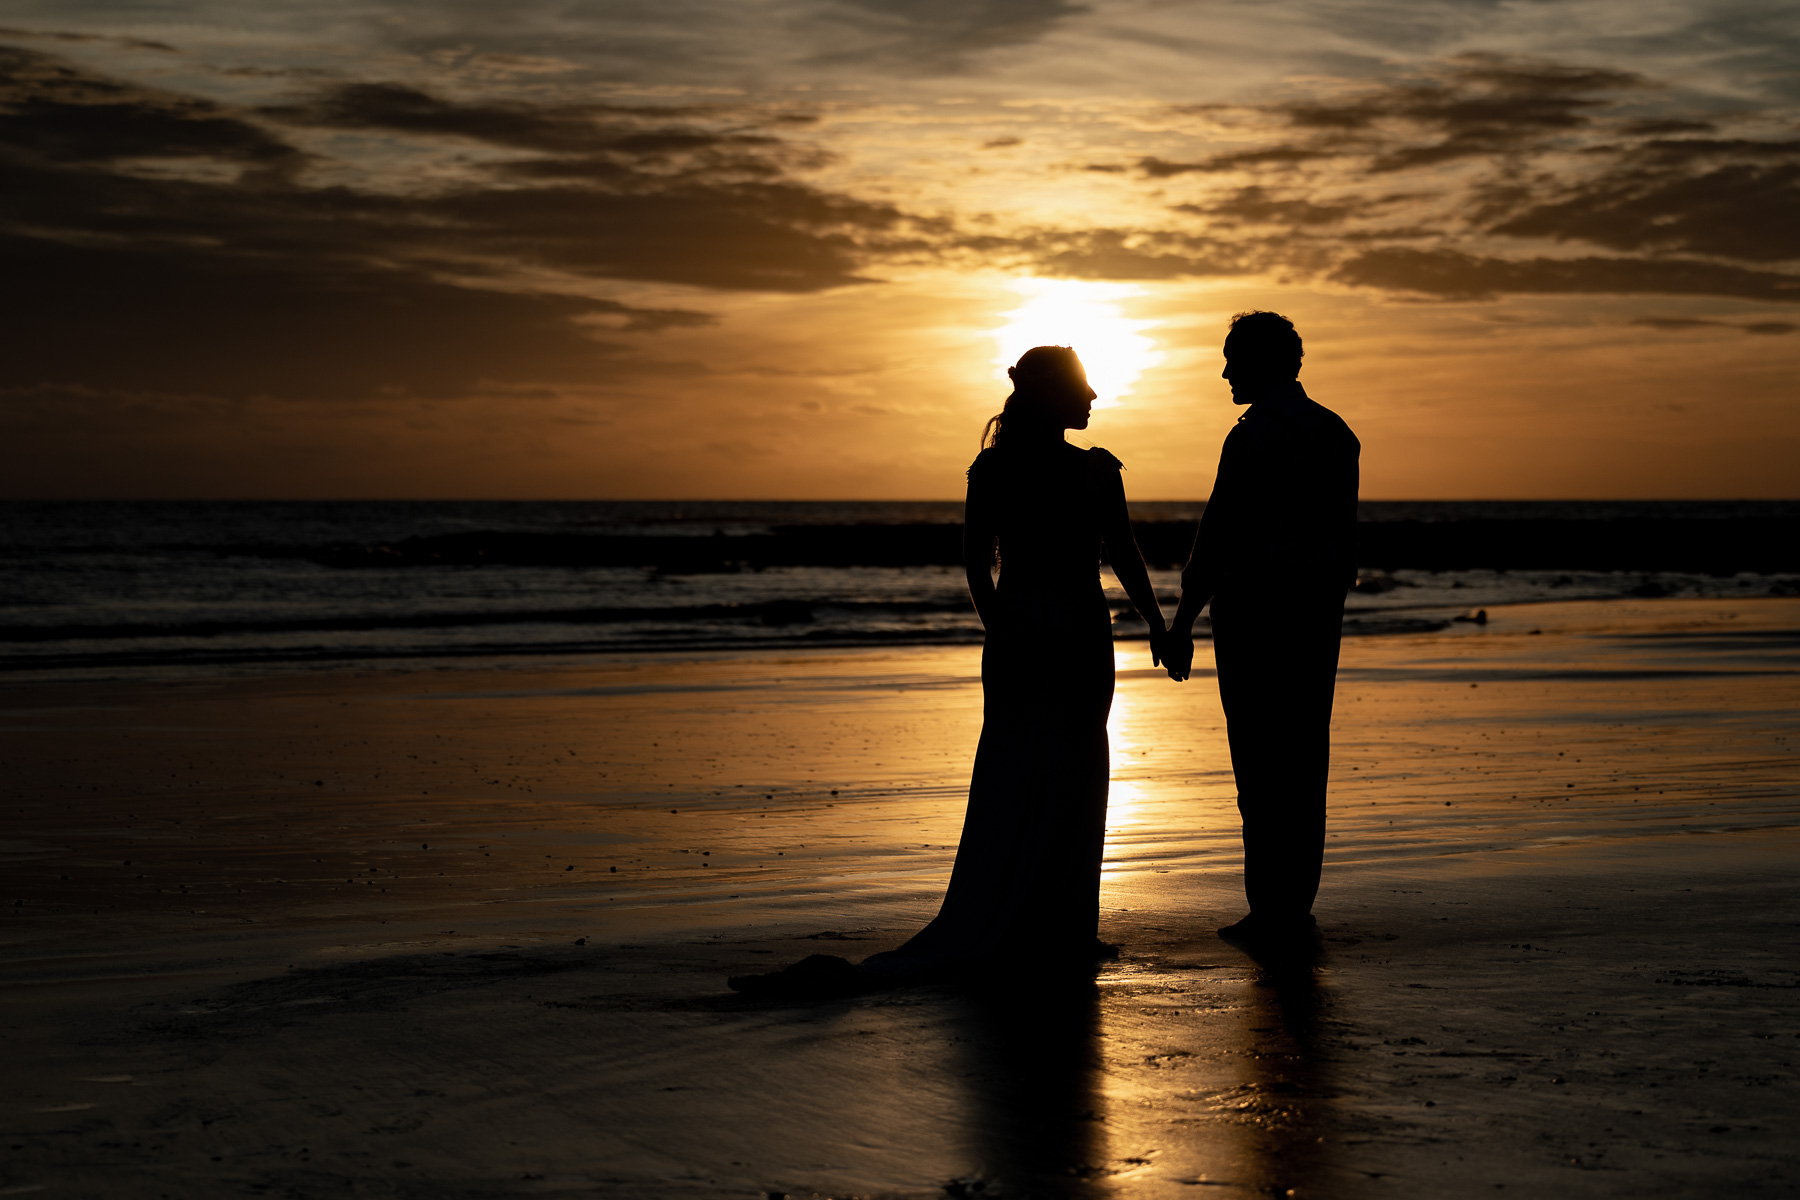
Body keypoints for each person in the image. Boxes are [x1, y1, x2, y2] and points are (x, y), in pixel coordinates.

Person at [730, 346, 1169, 995]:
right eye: (1082, 386)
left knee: (1032, 764)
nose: (1094, 397)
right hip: (1072, 630)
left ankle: (1058, 920)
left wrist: (1005, 629)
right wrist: (1152, 621)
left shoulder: (1010, 468)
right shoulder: (1081, 471)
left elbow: (981, 567)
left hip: (1031, 628)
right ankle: (1062, 923)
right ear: (1051, 395)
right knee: (1059, 765)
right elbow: (1108, 556)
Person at [1155, 311, 1359, 948]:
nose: (1224, 373)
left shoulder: (1253, 437)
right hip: (1315, 616)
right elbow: (1342, 542)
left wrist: (1182, 621)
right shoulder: (1335, 432)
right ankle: (1292, 903)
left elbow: (1219, 534)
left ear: (1263, 364)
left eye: (1233, 360)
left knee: (1260, 759)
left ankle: (1271, 907)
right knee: (1303, 756)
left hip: (1255, 614)